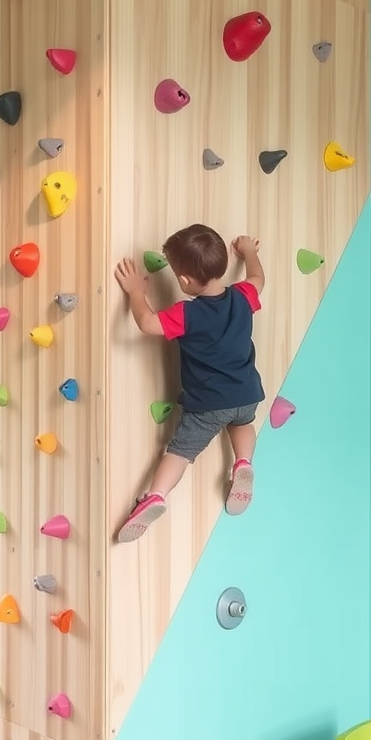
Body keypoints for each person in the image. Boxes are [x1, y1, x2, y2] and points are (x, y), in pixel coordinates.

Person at [114, 224, 264, 542]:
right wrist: (249, 252)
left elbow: (147, 323)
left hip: (208, 405)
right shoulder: (243, 296)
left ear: (183, 281)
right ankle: (243, 463)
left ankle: (156, 496)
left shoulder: (188, 313)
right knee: (243, 423)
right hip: (247, 393)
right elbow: (257, 279)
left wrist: (136, 293)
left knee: (181, 451)